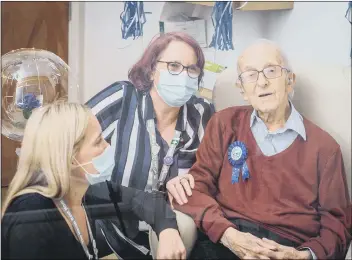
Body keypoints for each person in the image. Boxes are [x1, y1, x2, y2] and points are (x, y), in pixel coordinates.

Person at [174, 39, 352, 259]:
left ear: (289, 81)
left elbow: (338, 225)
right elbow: (197, 187)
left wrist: (303, 256)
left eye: (271, 70)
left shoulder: (325, 148)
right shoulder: (223, 124)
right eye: (250, 75)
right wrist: (228, 235)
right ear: (242, 89)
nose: (262, 82)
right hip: (226, 241)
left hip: (289, 249)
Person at [86, 32, 214, 258]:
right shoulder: (121, 98)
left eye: (192, 69)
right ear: (152, 69)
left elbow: (215, 172)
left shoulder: (202, 113)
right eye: (173, 66)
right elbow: (70, 145)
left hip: (174, 229)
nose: (183, 76)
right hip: (113, 227)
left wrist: (195, 181)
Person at [1, 102, 186, 259]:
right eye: (98, 142)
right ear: (70, 157)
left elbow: (148, 202)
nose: (108, 147)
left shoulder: (88, 191)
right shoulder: (31, 216)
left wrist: (168, 231)